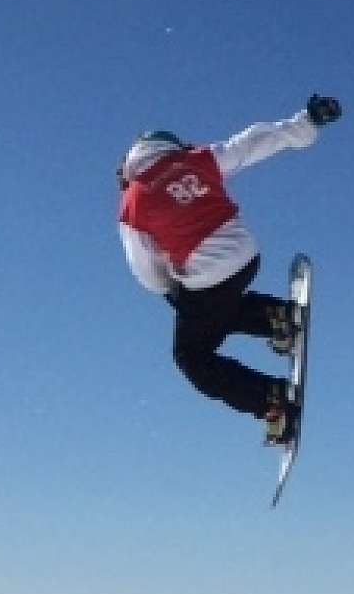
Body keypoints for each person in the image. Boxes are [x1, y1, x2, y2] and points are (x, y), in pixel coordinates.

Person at [117, 95, 342, 443]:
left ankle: (272, 400)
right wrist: (306, 123)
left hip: (209, 276)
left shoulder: (133, 203)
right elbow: (252, 142)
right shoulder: (196, 160)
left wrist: (169, 289)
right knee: (208, 309)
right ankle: (275, 317)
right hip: (247, 257)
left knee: (192, 356)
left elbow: (144, 268)